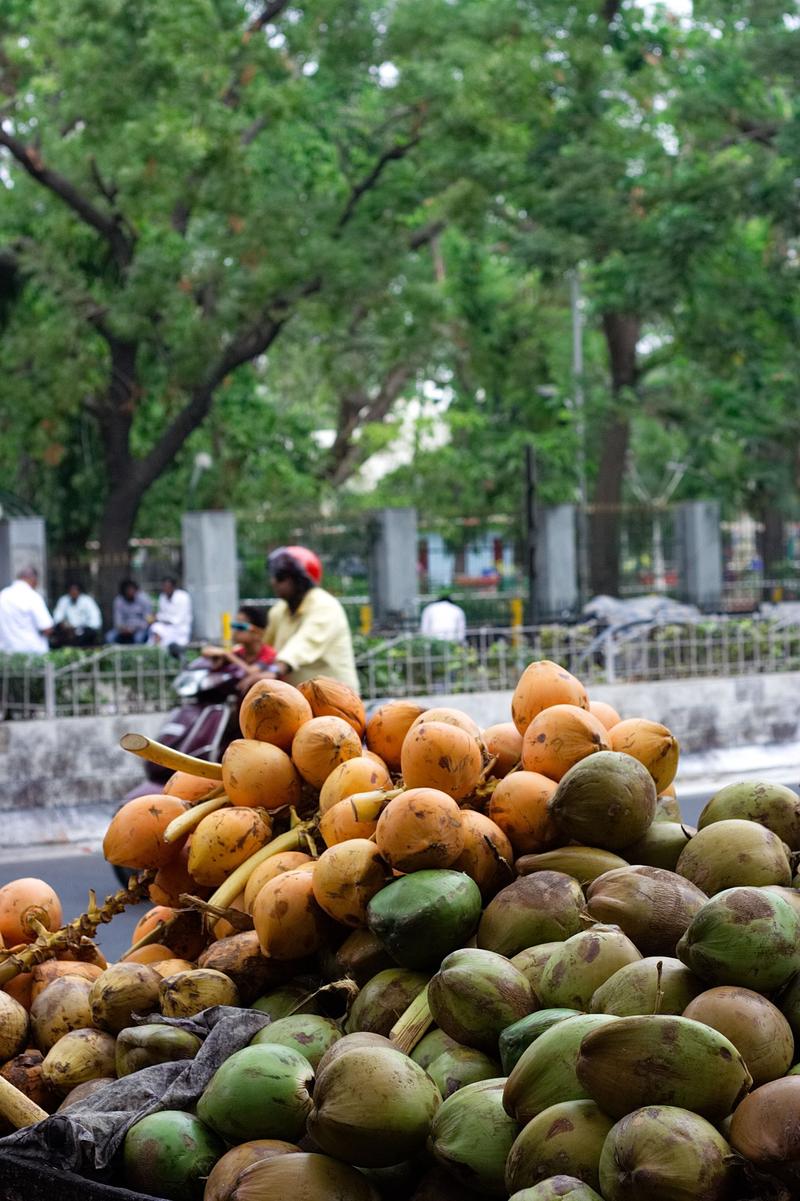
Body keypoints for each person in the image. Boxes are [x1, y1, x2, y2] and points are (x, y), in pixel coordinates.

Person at [248, 545, 359, 692]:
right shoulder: (280, 610)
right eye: (273, 576)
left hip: (336, 699)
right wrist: (231, 656)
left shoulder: (324, 605)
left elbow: (304, 643)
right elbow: (266, 646)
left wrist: (276, 669)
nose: (273, 582)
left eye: (280, 576)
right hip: (298, 700)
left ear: (300, 579)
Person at [201, 604, 277, 678]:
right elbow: (206, 651)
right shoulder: (239, 651)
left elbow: (252, 671)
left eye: (240, 627)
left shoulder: (269, 653)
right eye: (234, 625)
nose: (235, 631)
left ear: (258, 633)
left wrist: (228, 655)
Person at [0, 566, 54, 655]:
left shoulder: (2, 595)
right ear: (33, 579)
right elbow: (47, 628)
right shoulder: (32, 596)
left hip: (6, 653)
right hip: (32, 653)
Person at [51, 581, 102, 647]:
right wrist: (64, 624)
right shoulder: (64, 600)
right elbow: (57, 617)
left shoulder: (87, 601)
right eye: (71, 590)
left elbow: (96, 621)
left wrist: (83, 629)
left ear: (79, 591)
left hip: (84, 632)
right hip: (68, 632)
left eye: (75, 590)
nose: (73, 592)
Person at [148, 577, 193, 649]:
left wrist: (160, 618)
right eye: (164, 587)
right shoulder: (162, 596)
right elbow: (161, 614)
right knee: (155, 627)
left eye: (168, 587)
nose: (166, 589)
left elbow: (177, 620)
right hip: (166, 627)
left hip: (180, 629)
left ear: (174, 587)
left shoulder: (183, 597)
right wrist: (156, 617)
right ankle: (155, 651)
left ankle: (159, 652)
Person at [106, 578, 153, 644]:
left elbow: (148, 620)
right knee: (109, 637)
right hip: (123, 630)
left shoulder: (144, 599)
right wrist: (124, 629)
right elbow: (117, 621)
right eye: (128, 590)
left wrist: (134, 629)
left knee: (138, 638)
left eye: (132, 589)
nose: (130, 592)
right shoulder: (119, 601)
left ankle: (137, 654)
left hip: (140, 629)